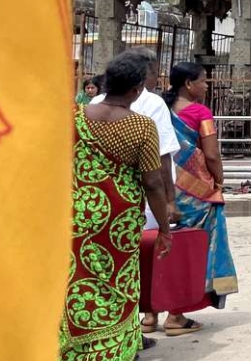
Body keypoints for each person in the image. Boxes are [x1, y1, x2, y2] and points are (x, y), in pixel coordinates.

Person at [62, 52, 173, 361]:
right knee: (117, 282)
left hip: (79, 210)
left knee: (78, 277)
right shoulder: (142, 127)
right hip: (119, 219)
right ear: (137, 90)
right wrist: (164, 228)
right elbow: (153, 183)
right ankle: (114, 349)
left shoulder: (77, 115)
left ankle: (76, 345)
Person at [145, 61, 238, 337]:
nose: (207, 85)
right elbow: (211, 155)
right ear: (189, 84)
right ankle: (176, 315)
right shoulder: (200, 112)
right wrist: (218, 181)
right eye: (204, 80)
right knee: (189, 252)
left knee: (158, 247)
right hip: (196, 196)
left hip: (161, 190)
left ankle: (149, 316)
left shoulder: (161, 109)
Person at [91, 48, 180, 231]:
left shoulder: (84, 111)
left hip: (90, 204)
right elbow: (157, 171)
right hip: (130, 208)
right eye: (155, 73)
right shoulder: (146, 116)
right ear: (139, 83)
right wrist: (169, 203)